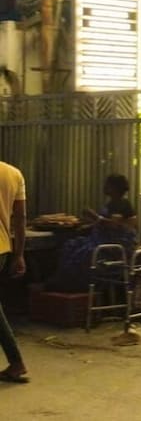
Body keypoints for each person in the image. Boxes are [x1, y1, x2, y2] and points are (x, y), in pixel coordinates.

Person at [45, 173, 137, 294]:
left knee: (84, 254)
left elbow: (114, 225)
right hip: (101, 239)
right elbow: (102, 224)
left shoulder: (122, 204)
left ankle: (75, 286)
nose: (104, 186)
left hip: (113, 245)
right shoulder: (110, 203)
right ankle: (61, 281)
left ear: (115, 187)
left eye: (108, 184)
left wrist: (94, 216)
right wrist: (87, 227)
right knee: (70, 246)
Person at [0, 159, 28, 383]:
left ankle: (17, 362)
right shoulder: (13, 173)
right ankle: (16, 362)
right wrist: (19, 254)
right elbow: (20, 219)